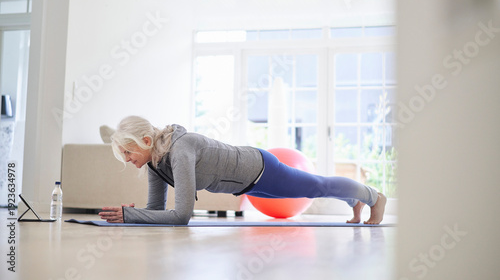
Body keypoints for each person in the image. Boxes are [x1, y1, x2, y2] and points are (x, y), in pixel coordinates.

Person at [99, 116, 386, 225]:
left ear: (146, 141)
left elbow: (182, 215)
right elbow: (155, 209)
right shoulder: (154, 164)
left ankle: (373, 196)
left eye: (128, 151)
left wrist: (131, 215)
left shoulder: (180, 150)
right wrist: (130, 216)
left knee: (316, 186)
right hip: (246, 184)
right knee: (316, 186)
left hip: (259, 168)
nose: (126, 159)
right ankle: (355, 201)